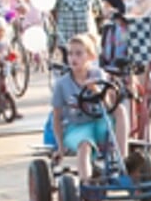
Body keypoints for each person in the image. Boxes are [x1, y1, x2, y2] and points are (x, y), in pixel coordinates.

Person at [48, 32, 118, 176]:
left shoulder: (98, 75)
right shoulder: (62, 84)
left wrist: (97, 90)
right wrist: (60, 147)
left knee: (121, 110)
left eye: (79, 54)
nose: (73, 58)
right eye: (70, 54)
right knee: (84, 145)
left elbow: (109, 107)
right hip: (76, 127)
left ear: (90, 57)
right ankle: (86, 184)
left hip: (99, 122)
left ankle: (123, 159)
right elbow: (56, 117)